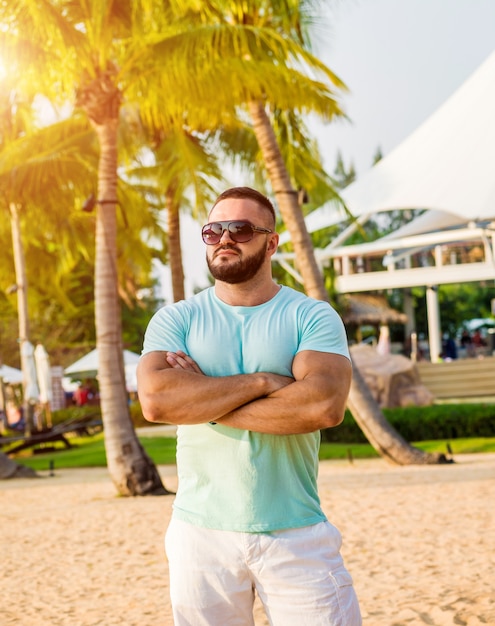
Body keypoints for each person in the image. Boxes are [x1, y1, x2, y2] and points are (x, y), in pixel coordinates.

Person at [137, 186, 361, 625]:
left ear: (271, 241)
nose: (225, 238)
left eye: (239, 229)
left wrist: (202, 395)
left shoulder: (311, 316)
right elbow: (158, 400)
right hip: (199, 535)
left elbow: (322, 407)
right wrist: (263, 382)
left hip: (296, 532)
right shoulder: (176, 319)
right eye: (213, 230)